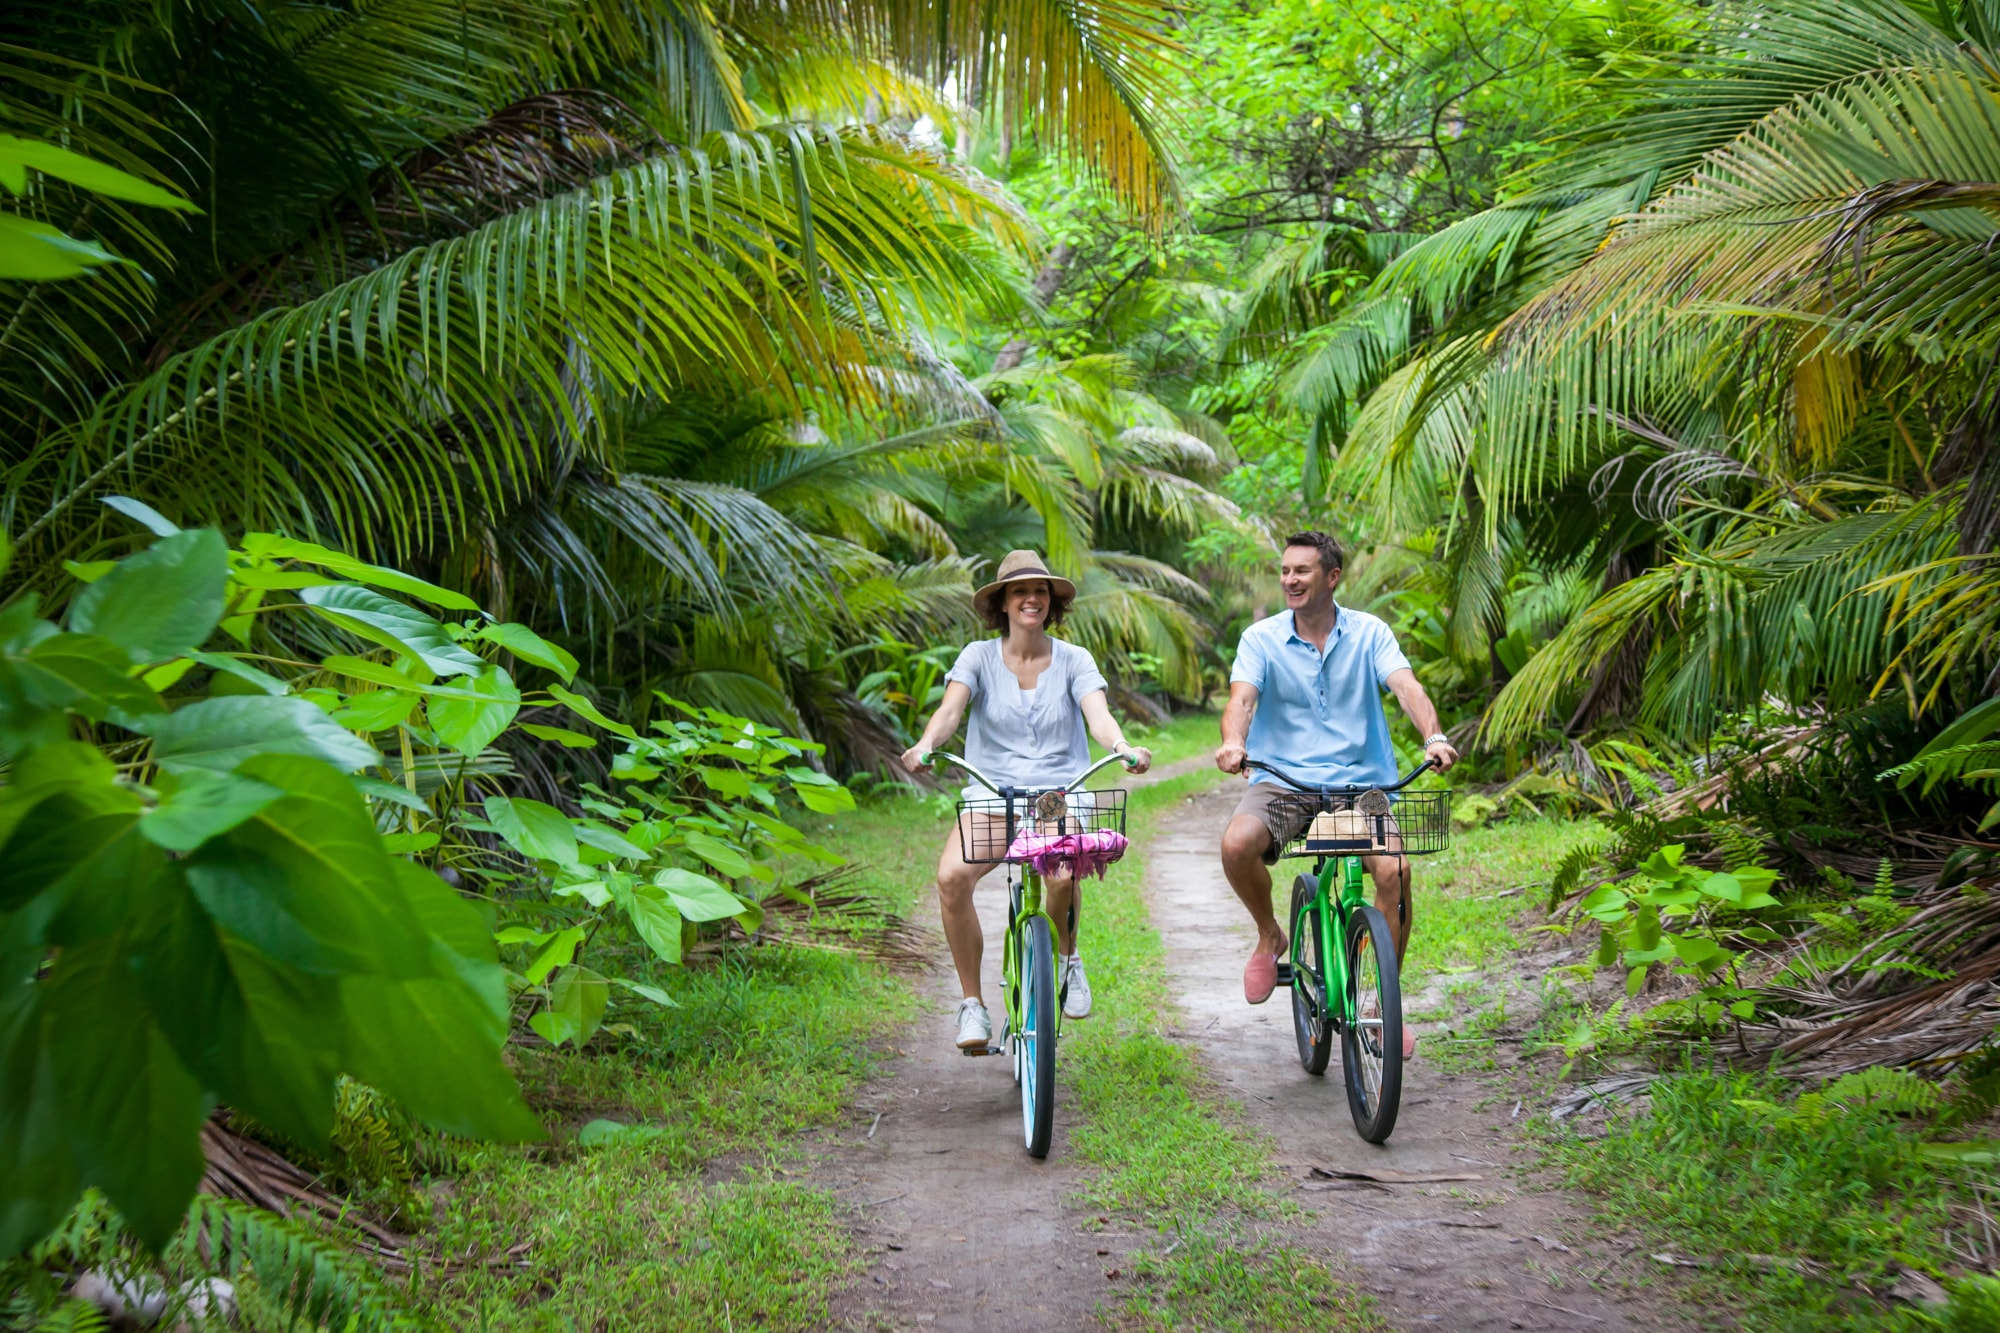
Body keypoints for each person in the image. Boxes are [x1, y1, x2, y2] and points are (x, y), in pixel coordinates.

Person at [1213, 531, 1458, 1056]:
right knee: (1237, 844)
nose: (1290, 580)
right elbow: (1242, 698)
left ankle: (1379, 1002)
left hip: (1361, 783)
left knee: (1396, 871)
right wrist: (1234, 742)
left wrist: (1433, 736)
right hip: (1283, 779)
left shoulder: (1370, 633)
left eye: (1302, 570)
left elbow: (1407, 687)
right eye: (1285, 571)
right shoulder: (1261, 638)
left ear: (1331, 577)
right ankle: (1268, 935)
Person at [901, 550, 1153, 1050]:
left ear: (1051, 603)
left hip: (1056, 798)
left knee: (1060, 873)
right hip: (992, 794)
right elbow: (951, 711)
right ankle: (973, 1006)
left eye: (1040, 591)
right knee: (952, 878)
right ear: (1003, 604)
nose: (1031, 599)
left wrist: (1122, 747)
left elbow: (1098, 716)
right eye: (1020, 591)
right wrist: (927, 744)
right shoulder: (977, 656)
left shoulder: (1074, 660)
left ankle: (1065, 959)